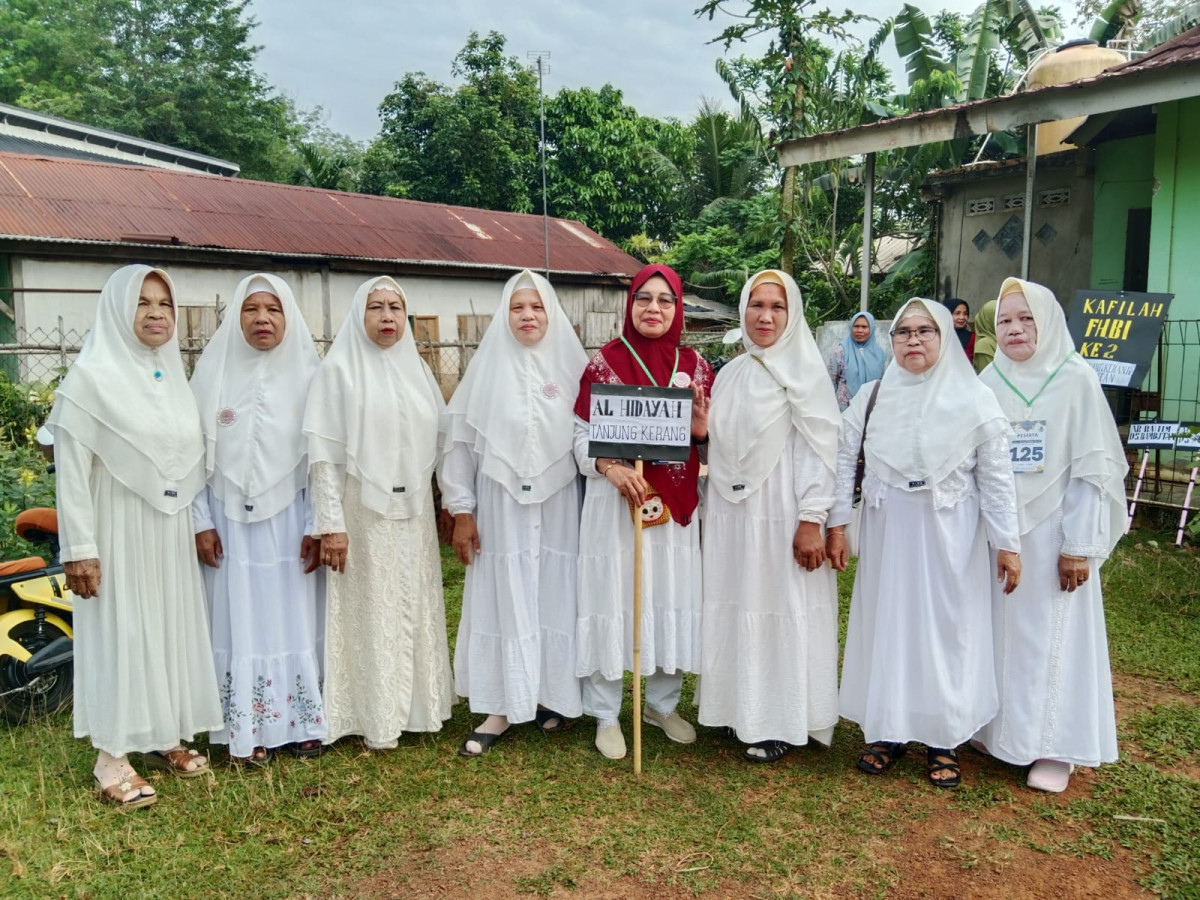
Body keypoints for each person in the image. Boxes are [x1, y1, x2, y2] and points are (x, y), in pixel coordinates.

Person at [827, 297, 1021, 788]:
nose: (913, 340)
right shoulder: (873, 396)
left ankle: (944, 737)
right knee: (891, 626)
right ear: (892, 341)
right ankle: (890, 730)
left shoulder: (975, 399)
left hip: (951, 537)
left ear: (943, 337)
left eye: (925, 331)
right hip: (889, 532)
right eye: (904, 332)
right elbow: (844, 462)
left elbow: (997, 479)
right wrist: (834, 524)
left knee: (947, 630)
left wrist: (1008, 542)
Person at [49, 264, 222, 808]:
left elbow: (184, 459)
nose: (155, 313)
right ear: (118, 310)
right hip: (115, 530)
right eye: (142, 302)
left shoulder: (173, 378)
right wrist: (79, 549)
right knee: (123, 632)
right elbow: (72, 475)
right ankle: (112, 757)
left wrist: (194, 521)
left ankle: (164, 734)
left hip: (167, 530)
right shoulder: (89, 380)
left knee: (166, 627)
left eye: (165, 304)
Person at [972, 278, 1126, 792]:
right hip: (1004, 532)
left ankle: (1055, 746)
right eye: (1005, 322)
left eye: (1026, 318)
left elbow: (1092, 470)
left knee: (1054, 635)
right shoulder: (990, 381)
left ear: (1049, 321)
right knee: (1003, 633)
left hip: (1056, 532)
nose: (1015, 329)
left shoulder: (1075, 378)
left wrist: (1078, 547)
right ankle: (1004, 734)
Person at [439, 270, 589, 757]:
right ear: (505, 315)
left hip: (561, 502)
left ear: (552, 314)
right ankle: (501, 706)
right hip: (500, 502)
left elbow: (591, 437)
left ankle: (551, 697)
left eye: (537, 307)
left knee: (554, 592)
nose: (528, 315)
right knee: (505, 592)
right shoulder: (485, 371)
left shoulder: (575, 369)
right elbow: (460, 445)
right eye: (518, 307)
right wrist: (461, 509)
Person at [698, 270, 842, 762]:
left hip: (782, 511)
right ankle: (739, 710)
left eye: (776, 307)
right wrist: (703, 429)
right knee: (737, 601)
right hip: (733, 512)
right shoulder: (734, 372)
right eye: (756, 304)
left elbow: (822, 450)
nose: (764, 316)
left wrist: (811, 518)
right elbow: (726, 440)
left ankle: (781, 719)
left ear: (792, 312)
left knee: (781, 605)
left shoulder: (805, 372)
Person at [303, 276, 452, 749]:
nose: (388, 316)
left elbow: (441, 437)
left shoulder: (417, 370)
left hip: (414, 513)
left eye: (395, 307)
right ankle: (373, 715)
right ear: (358, 314)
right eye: (376, 307)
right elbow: (324, 455)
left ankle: (418, 708)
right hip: (360, 510)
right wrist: (331, 525)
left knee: (414, 600)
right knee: (372, 607)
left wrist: (449, 500)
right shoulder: (339, 370)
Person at [574, 264, 713, 760]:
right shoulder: (604, 364)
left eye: (665, 300)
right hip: (615, 508)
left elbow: (707, 441)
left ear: (678, 309)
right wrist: (610, 467)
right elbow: (578, 438)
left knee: (667, 596)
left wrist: (700, 428)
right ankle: (607, 713)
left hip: (671, 511)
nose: (653, 309)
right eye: (644, 298)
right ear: (629, 305)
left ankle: (660, 702)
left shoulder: (695, 365)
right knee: (616, 597)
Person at [190, 274, 326, 766]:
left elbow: (320, 462)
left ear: (289, 317)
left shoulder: (312, 377)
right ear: (236, 318)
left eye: (274, 309)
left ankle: (301, 721)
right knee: (238, 618)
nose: (263, 318)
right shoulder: (211, 374)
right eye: (251, 309)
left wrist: (319, 522)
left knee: (291, 614)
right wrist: (200, 520)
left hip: (291, 520)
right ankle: (245, 729)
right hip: (228, 523)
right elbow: (191, 458)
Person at [827, 311, 888, 411]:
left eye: (864, 327)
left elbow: (881, 383)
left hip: (871, 409)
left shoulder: (879, 354)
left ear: (871, 329)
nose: (860, 330)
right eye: (856, 326)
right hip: (845, 409)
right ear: (851, 328)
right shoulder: (840, 352)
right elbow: (830, 383)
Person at [946, 298, 976, 364]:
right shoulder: (939, 337)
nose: (962, 317)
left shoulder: (973, 338)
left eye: (965, 314)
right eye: (957, 313)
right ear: (947, 314)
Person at [972, 299, 998, 374]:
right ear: (989, 320)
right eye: (997, 316)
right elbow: (990, 377)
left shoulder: (1001, 340)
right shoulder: (985, 345)